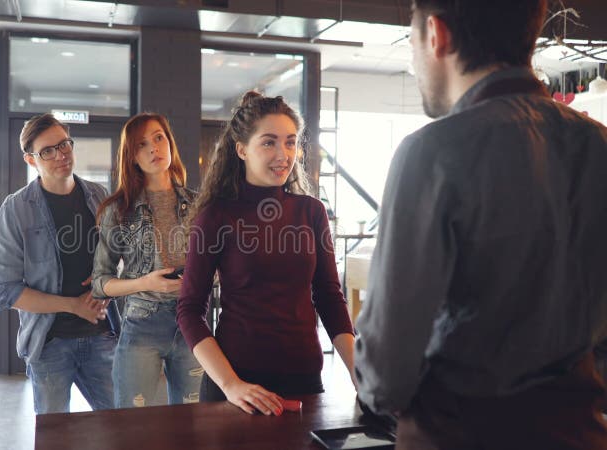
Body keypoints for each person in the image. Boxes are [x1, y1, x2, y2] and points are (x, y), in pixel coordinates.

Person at [354, 1, 607, 448]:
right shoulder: (597, 144)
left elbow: (385, 372)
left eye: (412, 42)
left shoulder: (431, 152)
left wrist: (375, 396)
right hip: (578, 432)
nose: (414, 65)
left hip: (458, 433)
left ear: (436, 35)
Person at [177, 91, 356, 415]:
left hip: (303, 380)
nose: (283, 154)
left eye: (290, 142)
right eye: (269, 142)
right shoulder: (216, 216)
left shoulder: (311, 211)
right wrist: (231, 385)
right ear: (242, 149)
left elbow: (330, 296)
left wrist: (359, 373)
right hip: (238, 387)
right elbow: (190, 310)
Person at [0, 113, 120, 414]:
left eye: (64, 145)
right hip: (49, 343)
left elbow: (118, 259)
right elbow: (3, 288)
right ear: (31, 160)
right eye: (48, 151)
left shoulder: (98, 196)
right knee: (55, 437)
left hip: (102, 336)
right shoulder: (16, 209)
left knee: (121, 429)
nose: (60, 155)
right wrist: (72, 305)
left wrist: (107, 288)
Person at [91, 113, 203, 408]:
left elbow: (217, 266)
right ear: (132, 158)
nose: (154, 148)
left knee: (196, 426)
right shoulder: (118, 211)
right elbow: (100, 283)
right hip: (142, 324)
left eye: (159, 138)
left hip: (192, 322)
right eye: (142, 145)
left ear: (170, 143)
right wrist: (144, 283)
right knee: (133, 427)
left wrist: (200, 278)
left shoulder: (198, 203)